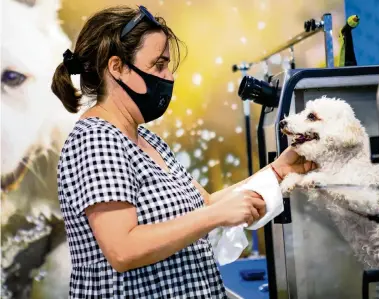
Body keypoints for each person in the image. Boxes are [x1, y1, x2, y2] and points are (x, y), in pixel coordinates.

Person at [52, 5, 316, 298]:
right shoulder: (96, 140)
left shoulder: (148, 141)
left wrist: (280, 170)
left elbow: (206, 204)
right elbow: (123, 249)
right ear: (117, 68)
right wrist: (215, 216)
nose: (170, 76)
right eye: (159, 64)